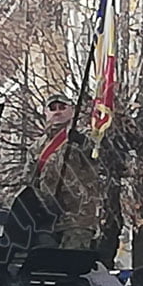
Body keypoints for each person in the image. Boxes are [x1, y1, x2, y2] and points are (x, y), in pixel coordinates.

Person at [30, 93, 100, 249]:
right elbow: (29, 181)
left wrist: (83, 142)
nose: (57, 112)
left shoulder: (85, 136)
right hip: (47, 219)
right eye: (52, 108)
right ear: (45, 112)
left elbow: (98, 156)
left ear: (72, 111)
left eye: (62, 107)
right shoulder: (37, 147)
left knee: (71, 260)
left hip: (78, 217)